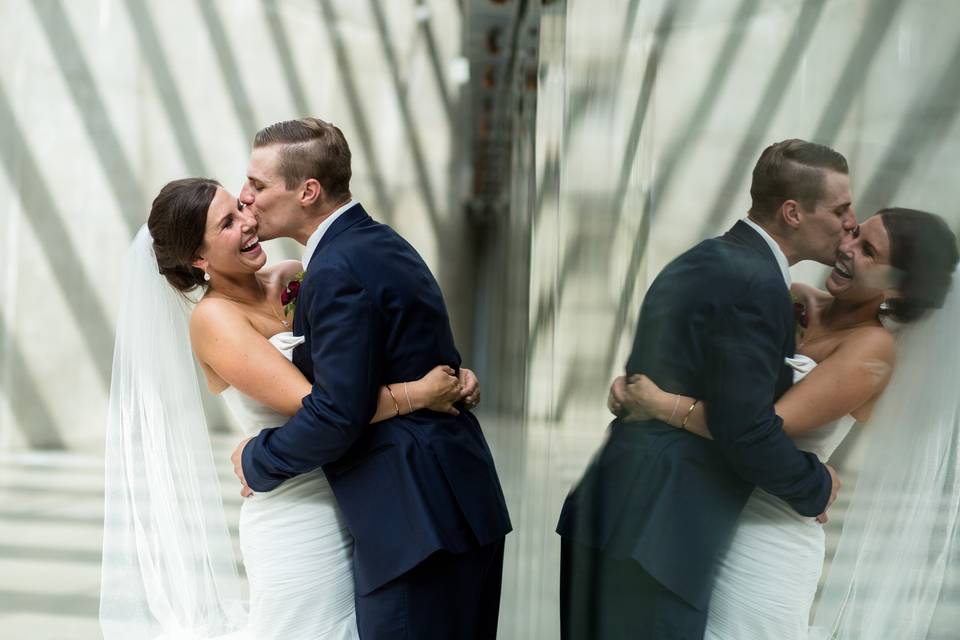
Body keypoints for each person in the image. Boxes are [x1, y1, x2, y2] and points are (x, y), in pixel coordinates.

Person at [99, 177, 481, 640]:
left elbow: (358, 365)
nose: (248, 222)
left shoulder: (294, 277)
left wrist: (450, 377)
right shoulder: (214, 320)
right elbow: (323, 407)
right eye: (227, 224)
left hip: (356, 494)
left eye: (240, 207)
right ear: (199, 259)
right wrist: (418, 393)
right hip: (297, 514)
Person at [611, 208, 959, 638]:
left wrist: (659, 403)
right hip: (705, 511)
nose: (846, 249)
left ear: (898, 289)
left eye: (867, 251)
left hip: (765, 538)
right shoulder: (797, 302)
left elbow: (758, 427)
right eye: (854, 233)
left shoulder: (873, 347)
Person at [556, 139, 855, 639]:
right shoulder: (757, 285)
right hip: (661, 532)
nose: (850, 222)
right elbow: (744, 427)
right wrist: (816, 485)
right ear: (793, 212)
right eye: (841, 209)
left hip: (609, 507)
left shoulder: (707, 257)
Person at [231, 118, 512, 639]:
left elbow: (338, 412)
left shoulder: (337, 268)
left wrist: (257, 459)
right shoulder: (380, 242)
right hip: (456, 502)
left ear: (308, 191)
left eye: (258, 184)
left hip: (413, 521)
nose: (245, 198)